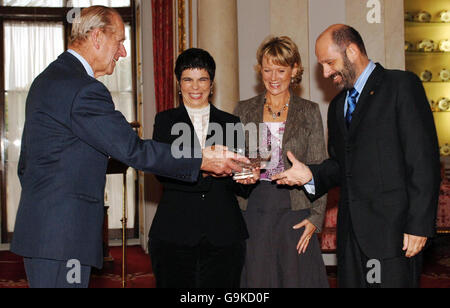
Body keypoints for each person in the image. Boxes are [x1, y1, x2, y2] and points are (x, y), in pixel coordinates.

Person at [10, 6, 247, 288]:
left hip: (45, 230)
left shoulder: (49, 79)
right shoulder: (82, 88)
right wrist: (200, 160)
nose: (122, 52)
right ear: (97, 37)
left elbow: (26, 165)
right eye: (120, 41)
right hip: (65, 237)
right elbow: (133, 150)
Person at [272, 24, 441, 288]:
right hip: (351, 237)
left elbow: (423, 162)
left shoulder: (400, 86)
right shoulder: (338, 105)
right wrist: (311, 174)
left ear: (351, 51)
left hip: (393, 235)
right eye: (322, 66)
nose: (326, 73)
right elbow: (342, 166)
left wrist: (419, 225)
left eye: (329, 63)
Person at [148, 48, 256, 288]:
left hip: (224, 233)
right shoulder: (165, 121)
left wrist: (246, 177)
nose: (195, 87)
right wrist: (206, 167)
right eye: (188, 79)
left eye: (202, 79)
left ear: (212, 84)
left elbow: (237, 181)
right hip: (174, 232)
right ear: (179, 83)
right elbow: (163, 173)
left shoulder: (231, 123)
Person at [234, 36, 329, 288]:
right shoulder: (242, 110)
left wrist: (316, 218)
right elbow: (233, 164)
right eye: (267, 70)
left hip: (295, 207)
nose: (273, 77)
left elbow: (319, 167)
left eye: (281, 70)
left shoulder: (309, 111)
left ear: (294, 70)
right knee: (257, 279)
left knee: (295, 279)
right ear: (260, 70)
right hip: (253, 207)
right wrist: (243, 173)